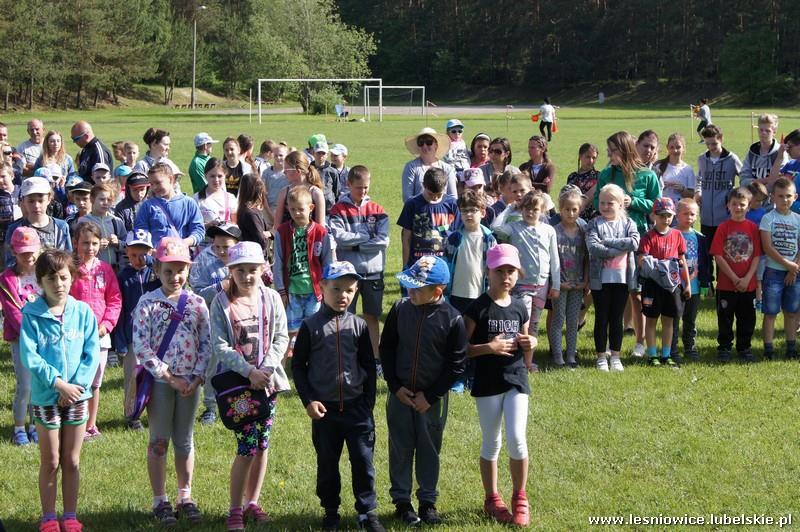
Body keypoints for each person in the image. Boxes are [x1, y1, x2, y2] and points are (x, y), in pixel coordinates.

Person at [292, 261, 384, 532]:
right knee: (328, 464)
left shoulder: (359, 326)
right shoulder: (311, 326)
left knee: (363, 463)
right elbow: (298, 367)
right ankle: (330, 511)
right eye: (336, 288)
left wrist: (368, 403)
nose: (343, 295)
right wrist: (309, 400)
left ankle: (367, 512)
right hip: (325, 411)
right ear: (322, 287)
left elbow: (368, 364)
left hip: (357, 410)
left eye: (349, 290)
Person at [208, 241, 290, 531]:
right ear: (230, 271)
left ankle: (251, 501)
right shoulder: (221, 302)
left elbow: (281, 337)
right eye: (240, 270)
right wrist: (249, 371)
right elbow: (219, 345)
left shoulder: (270, 298)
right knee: (247, 446)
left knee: (263, 444)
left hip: (267, 384)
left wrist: (265, 370)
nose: (246, 276)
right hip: (238, 388)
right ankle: (235, 509)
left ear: (262, 269)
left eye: (252, 270)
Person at [380, 256, 467, 526]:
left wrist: (430, 396)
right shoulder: (400, 308)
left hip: (432, 399)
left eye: (418, 288)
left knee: (429, 447)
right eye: (409, 285)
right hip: (400, 395)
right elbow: (387, 349)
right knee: (400, 446)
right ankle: (402, 502)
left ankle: (428, 502)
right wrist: (396, 387)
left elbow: (456, 365)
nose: (411, 292)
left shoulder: (452, 320)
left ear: (437, 292)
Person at [132, 237, 211, 526]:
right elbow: (141, 345)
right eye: (168, 271)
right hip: (162, 382)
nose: (175, 277)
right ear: (157, 270)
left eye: (180, 270)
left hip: (191, 383)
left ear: (188, 270)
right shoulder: (147, 303)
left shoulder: (197, 303)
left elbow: (207, 343)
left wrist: (198, 376)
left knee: (185, 440)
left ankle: (185, 496)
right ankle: (159, 500)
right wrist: (167, 376)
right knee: (159, 440)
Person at [20, 249, 100, 532]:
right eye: (50, 278)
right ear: (40, 281)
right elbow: (31, 357)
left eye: (63, 277)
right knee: (51, 460)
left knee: (72, 460)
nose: (58, 284)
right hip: (46, 396)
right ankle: (49, 517)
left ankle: (70, 515)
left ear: (72, 277)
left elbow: (92, 354)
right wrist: (58, 384)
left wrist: (75, 387)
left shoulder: (83, 312)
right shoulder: (31, 314)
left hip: (77, 396)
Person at [464, 244, 536, 526]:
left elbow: (525, 341)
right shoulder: (477, 308)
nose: (505, 277)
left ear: (517, 274)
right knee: (492, 441)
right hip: (487, 383)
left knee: (517, 438)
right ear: (488, 272)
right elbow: (463, 349)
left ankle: (520, 496)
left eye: (510, 271)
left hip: (516, 379)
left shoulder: (519, 306)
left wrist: (533, 344)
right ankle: (492, 498)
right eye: (499, 271)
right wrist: (489, 347)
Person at [593, 131, 660, 357]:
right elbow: (596, 201)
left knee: (636, 292)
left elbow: (656, 204)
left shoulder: (647, 175)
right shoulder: (606, 174)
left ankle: (640, 343)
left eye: (613, 150)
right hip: (609, 242)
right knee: (614, 291)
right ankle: (613, 344)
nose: (609, 155)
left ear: (626, 150)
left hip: (637, 240)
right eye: (609, 150)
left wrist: (635, 202)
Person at [328, 165, 390, 363]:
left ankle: (375, 358)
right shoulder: (338, 210)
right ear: (349, 185)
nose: (362, 191)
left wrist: (355, 246)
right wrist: (364, 237)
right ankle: (348, 357)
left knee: (372, 316)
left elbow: (383, 241)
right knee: (346, 315)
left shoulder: (378, 210)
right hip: (349, 274)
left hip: (373, 272)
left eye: (365, 187)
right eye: (358, 188)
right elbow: (339, 237)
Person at [492, 190, 559, 369]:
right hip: (522, 285)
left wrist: (556, 284)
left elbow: (555, 259)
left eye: (535, 209)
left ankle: (528, 362)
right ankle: (516, 360)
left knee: (534, 324)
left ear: (542, 211)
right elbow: (495, 228)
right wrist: (508, 208)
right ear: (521, 209)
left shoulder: (548, 230)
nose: (530, 212)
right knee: (523, 323)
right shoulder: (513, 227)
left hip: (542, 285)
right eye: (527, 208)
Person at [69, 221, 122, 439]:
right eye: (85, 243)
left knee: (95, 381)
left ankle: (91, 424)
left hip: (100, 335)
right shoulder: (70, 269)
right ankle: (74, 422)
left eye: (93, 243)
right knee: (74, 379)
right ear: (75, 243)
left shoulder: (105, 269)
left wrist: (106, 325)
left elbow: (115, 299)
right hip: (74, 335)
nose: (89, 248)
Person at [273, 185, 334, 360]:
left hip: (314, 292)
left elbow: (328, 261)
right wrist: (281, 290)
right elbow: (278, 263)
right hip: (291, 291)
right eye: (292, 209)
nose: (297, 213)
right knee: (289, 331)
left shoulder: (321, 232)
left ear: (311, 208)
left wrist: (326, 287)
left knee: (314, 329)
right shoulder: (282, 232)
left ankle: (314, 361)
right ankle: (283, 365)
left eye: (301, 209)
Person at [189, 222, 241, 427]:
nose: (220, 251)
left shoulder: (244, 260)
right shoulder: (203, 260)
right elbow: (197, 293)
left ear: (237, 245)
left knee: (238, 361)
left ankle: (238, 402)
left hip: (239, 321)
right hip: (212, 321)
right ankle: (210, 407)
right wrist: (221, 286)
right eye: (217, 246)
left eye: (226, 247)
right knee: (211, 364)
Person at [586, 184, 640, 371]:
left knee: (616, 318)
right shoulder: (594, 224)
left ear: (620, 204)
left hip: (622, 279)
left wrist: (608, 243)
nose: (606, 206)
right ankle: (601, 356)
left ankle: (615, 356)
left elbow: (633, 242)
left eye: (610, 203)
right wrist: (618, 249)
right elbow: (593, 247)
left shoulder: (628, 224)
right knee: (601, 317)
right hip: (600, 279)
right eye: (602, 203)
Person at [113, 230, 160, 431]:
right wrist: (120, 341)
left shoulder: (156, 274)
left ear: (151, 252)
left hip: (156, 335)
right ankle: (132, 414)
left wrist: (155, 264)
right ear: (127, 252)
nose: (139, 260)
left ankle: (157, 411)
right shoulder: (123, 277)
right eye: (134, 255)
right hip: (133, 336)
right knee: (133, 375)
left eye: (143, 254)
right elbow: (120, 310)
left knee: (156, 375)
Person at [710, 187, 762, 362]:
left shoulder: (753, 228)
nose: (738, 208)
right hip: (726, 285)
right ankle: (724, 347)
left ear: (748, 207)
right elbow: (718, 255)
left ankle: (744, 347)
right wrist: (734, 278)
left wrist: (746, 279)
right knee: (725, 318)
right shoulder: (723, 228)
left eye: (742, 204)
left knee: (747, 318)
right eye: (734, 204)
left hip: (748, 285)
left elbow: (756, 256)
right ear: (728, 206)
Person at [637, 198, 691, 366]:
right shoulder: (648, 236)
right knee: (651, 319)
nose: (665, 219)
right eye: (661, 215)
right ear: (654, 216)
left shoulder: (677, 235)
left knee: (669, 320)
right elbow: (641, 259)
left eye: (669, 215)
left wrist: (687, 283)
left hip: (672, 285)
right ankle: (652, 355)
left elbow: (682, 260)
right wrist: (657, 264)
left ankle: (666, 355)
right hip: (653, 284)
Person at [1, 227, 42, 445]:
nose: (29, 256)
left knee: (39, 384)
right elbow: (13, 311)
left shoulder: (44, 273)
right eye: (23, 252)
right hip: (22, 339)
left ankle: (35, 424)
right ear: (14, 252)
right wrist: (31, 333)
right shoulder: (7, 278)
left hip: (44, 338)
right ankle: (19, 427)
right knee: (25, 385)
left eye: (32, 251)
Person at [759, 177, 800, 360]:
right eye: (780, 196)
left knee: (791, 312)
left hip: (795, 272)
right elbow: (768, 247)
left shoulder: (798, 219)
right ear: (772, 197)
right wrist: (787, 265)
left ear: (795, 197)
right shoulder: (768, 218)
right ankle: (769, 348)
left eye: (788, 196)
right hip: (774, 271)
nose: (785, 200)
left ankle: (791, 348)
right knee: (770, 312)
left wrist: (794, 268)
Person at [548, 186, 588, 368]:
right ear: (560, 208)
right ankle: (557, 356)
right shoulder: (554, 231)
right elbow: (550, 260)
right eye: (567, 209)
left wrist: (585, 280)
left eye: (575, 209)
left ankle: (571, 355)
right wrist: (556, 283)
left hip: (578, 284)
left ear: (579, 209)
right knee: (558, 320)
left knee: (573, 321)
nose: (571, 213)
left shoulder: (584, 230)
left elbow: (588, 257)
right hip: (561, 283)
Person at [671, 199, 711, 362]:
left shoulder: (700, 238)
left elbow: (706, 262)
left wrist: (706, 283)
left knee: (690, 319)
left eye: (692, 214)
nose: (689, 217)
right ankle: (671, 348)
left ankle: (689, 347)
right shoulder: (671, 234)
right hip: (675, 286)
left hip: (694, 286)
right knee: (674, 318)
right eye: (685, 213)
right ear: (677, 215)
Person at [397, 167, 460, 269]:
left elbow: (458, 235)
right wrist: (405, 266)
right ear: (423, 185)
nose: (435, 197)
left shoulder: (452, 204)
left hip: (444, 264)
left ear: (445, 186)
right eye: (431, 194)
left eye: (438, 194)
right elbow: (406, 238)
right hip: (418, 264)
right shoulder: (412, 204)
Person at [133, 163, 205, 249]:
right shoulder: (148, 206)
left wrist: (185, 242)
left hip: (180, 256)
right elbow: (140, 231)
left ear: (170, 179)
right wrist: (150, 250)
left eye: (158, 183)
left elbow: (198, 230)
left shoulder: (188, 203)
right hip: (156, 258)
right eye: (151, 184)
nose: (154, 187)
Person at [5, 177, 72, 267]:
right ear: (23, 201)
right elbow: (9, 262)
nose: (36, 206)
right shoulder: (14, 229)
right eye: (31, 201)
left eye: (40, 201)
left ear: (49, 199)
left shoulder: (61, 227)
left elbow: (68, 258)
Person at [696, 124, 743, 249]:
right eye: (707, 144)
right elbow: (700, 179)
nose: (711, 147)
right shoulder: (702, 159)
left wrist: (735, 195)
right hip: (705, 217)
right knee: (706, 253)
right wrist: (698, 191)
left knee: (724, 251)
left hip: (724, 217)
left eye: (714, 144)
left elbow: (744, 177)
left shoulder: (732, 159)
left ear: (721, 139)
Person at [401, 127, 457, 202]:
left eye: (429, 142)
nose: (424, 146)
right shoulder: (411, 167)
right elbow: (407, 198)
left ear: (436, 145)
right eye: (421, 142)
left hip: (442, 212)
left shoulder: (447, 169)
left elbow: (453, 198)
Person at [78, 184, 127, 268]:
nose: (105, 203)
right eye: (102, 199)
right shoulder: (84, 221)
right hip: (93, 269)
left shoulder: (116, 221)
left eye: (109, 200)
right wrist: (95, 245)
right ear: (92, 199)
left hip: (115, 270)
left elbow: (128, 246)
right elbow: (77, 247)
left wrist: (118, 243)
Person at [273, 150, 326, 226]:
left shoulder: (316, 193)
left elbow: (320, 226)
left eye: (286, 171)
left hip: (310, 236)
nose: (284, 174)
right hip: (287, 236)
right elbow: (277, 225)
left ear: (298, 171)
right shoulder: (284, 192)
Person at [741, 113, 787, 189]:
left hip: (772, 199)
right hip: (753, 198)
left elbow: (780, 181)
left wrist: (756, 182)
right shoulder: (752, 152)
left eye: (767, 131)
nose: (763, 133)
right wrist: (766, 180)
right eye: (761, 130)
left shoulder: (781, 152)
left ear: (774, 132)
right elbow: (743, 180)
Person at [195, 158, 238, 233]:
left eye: (220, 176)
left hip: (225, 243)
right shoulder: (197, 198)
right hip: (204, 243)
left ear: (225, 175)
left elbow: (235, 224)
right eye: (212, 176)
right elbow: (192, 226)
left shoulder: (230, 198)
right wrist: (208, 225)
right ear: (206, 176)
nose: (216, 180)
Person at [236, 173, 271, 256]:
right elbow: (261, 241)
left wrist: (269, 233)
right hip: (255, 257)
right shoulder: (250, 214)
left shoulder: (250, 210)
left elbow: (268, 228)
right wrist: (266, 234)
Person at [655, 133, 695, 205]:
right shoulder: (658, 166)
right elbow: (651, 191)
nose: (675, 150)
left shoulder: (688, 169)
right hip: (662, 209)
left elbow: (692, 195)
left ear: (683, 148)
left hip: (680, 211)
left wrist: (682, 189)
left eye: (678, 147)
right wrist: (661, 186)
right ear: (667, 147)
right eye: (672, 147)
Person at [567, 142, 600, 221]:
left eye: (594, 157)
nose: (591, 160)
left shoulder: (599, 176)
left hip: (594, 218)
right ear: (580, 156)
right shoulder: (572, 177)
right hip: (574, 217)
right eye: (588, 157)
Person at [0, 163, 22, 268]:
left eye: (3, 176)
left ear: (12, 176)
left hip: (22, 234)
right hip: (3, 238)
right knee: (6, 266)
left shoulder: (21, 191)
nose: (0, 180)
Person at [311, 140, 340, 214]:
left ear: (327, 155)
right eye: (318, 153)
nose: (321, 156)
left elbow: (336, 191)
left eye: (323, 153)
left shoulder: (333, 171)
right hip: (312, 206)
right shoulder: (309, 170)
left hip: (329, 208)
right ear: (313, 153)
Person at [262, 142, 289, 222]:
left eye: (281, 155)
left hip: (286, 210)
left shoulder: (290, 173)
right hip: (269, 209)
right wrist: (269, 213)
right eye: (276, 155)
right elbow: (263, 194)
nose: (278, 158)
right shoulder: (266, 173)